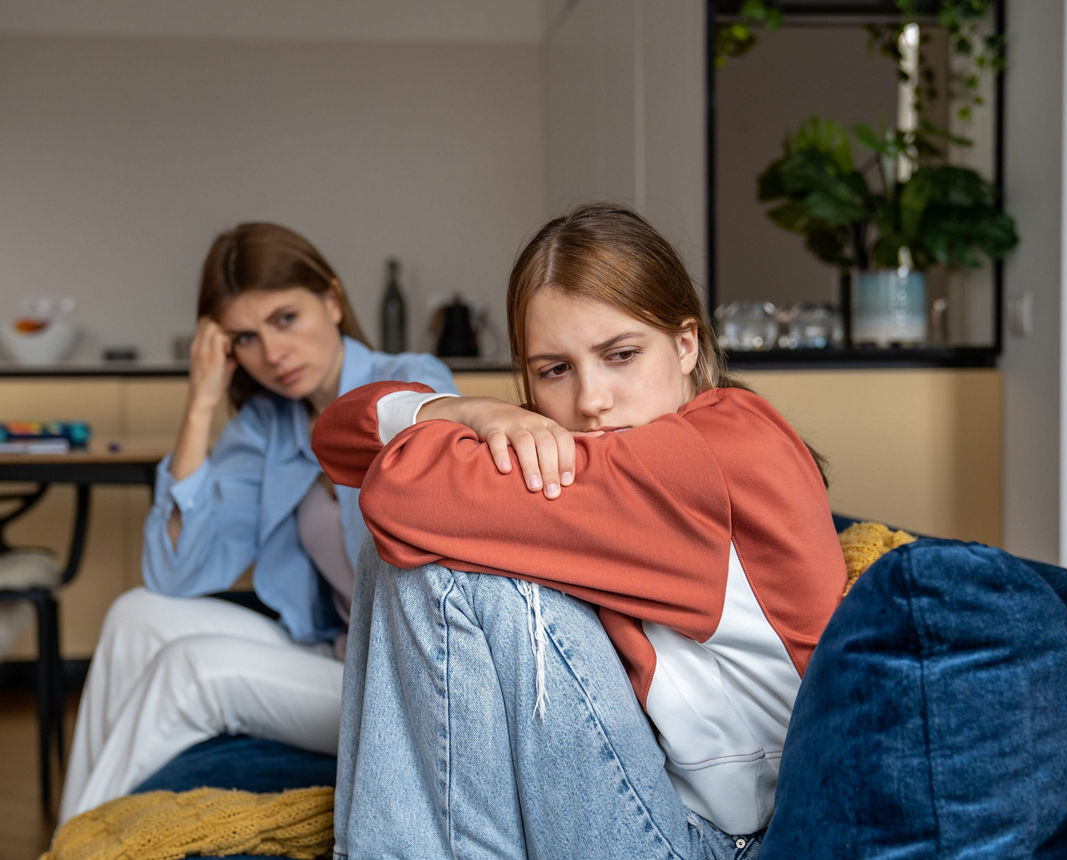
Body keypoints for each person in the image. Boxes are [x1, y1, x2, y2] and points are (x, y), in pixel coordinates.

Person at [312, 203, 847, 858]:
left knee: (444, 561)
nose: (591, 400)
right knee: (430, 547)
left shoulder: (713, 453)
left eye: (620, 355)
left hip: (727, 845)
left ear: (687, 344)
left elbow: (396, 497)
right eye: (554, 370)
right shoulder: (613, 463)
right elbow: (335, 439)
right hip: (668, 812)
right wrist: (466, 409)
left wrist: (463, 428)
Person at [58, 222, 457, 824]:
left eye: (285, 318)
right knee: (134, 616)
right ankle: (81, 836)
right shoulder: (269, 425)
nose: (272, 354)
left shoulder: (410, 382)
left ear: (331, 299)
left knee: (188, 669)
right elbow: (174, 572)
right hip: (327, 653)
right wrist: (199, 405)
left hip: (400, 684)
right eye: (246, 336)